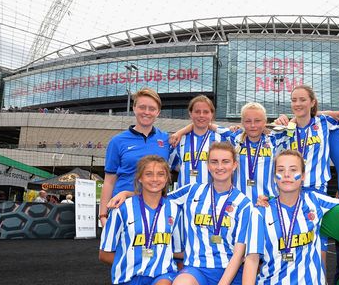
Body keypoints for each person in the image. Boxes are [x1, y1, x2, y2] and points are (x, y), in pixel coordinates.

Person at [244, 150, 339, 285]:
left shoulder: (315, 200)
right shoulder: (260, 211)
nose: (286, 174)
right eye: (281, 170)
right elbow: (252, 260)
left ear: (303, 176)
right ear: (274, 176)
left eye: (293, 170)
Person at [168, 142, 257, 285]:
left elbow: (239, 254)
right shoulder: (192, 191)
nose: (220, 167)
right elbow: (155, 199)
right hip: (196, 269)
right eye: (214, 162)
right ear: (208, 166)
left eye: (225, 162)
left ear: (234, 165)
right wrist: (127, 193)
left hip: (230, 270)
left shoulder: (244, 203)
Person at [100, 155, 182, 285]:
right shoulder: (122, 209)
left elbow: (178, 251)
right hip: (128, 278)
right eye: (148, 174)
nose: (155, 179)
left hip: (163, 275)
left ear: (167, 179)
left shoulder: (175, 210)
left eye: (160, 174)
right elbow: (104, 254)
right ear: (140, 178)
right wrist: (131, 262)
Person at [101, 88, 171, 226]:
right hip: (124, 207)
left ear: (158, 112)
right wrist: (103, 215)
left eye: (151, 108)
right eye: (142, 107)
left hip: (156, 208)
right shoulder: (117, 141)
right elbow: (109, 181)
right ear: (134, 108)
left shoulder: (166, 140)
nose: (146, 112)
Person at [274, 85, 339, 195]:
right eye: (294, 100)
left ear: (312, 102)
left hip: (316, 188)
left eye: (303, 100)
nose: (297, 104)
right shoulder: (286, 128)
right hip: (289, 189)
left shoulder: (324, 122)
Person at [169, 95, 230, 188]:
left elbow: (237, 138)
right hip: (185, 198)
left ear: (212, 114)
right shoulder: (180, 140)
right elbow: (171, 165)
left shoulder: (221, 140)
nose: (201, 115)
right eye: (197, 112)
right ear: (190, 113)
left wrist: (212, 126)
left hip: (212, 198)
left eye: (206, 112)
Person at [228, 102, 280, 202]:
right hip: (239, 202)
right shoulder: (234, 138)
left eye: (257, 121)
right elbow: (210, 127)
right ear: (242, 122)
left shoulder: (274, 140)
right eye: (248, 121)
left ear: (265, 121)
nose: (253, 125)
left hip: (268, 201)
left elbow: (299, 124)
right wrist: (188, 128)